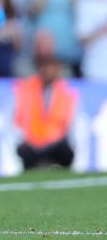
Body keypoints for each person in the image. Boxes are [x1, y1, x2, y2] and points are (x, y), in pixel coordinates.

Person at [10, 32, 78, 170]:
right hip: (31, 143)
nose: (48, 70)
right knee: (24, 151)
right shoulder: (26, 88)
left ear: (57, 68)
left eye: (51, 66)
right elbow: (13, 120)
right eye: (44, 66)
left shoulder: (67, 91)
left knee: (65, 151)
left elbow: (74, 124)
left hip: (57, 143)